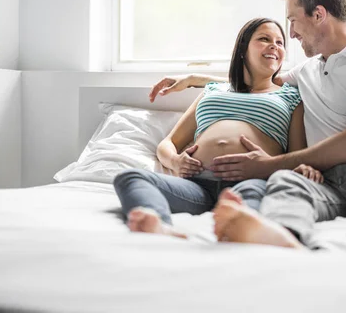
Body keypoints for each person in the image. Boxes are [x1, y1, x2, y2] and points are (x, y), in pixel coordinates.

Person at [149, 0, 346, 252]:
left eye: (292, 21)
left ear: (318, 15)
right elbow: (255, 82)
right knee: (285, 183)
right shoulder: (306, 71)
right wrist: (195, 79)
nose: (290, 34)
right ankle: (284, 238)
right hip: (323, 182)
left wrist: (268, 165)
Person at [114, 17, 316, 239]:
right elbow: (169, 143)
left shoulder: (290, 96)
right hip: (198, 185)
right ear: (242, 49)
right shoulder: (213, 91)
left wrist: (303, 168)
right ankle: (158, 225)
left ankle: (240, 229)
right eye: (264, 39)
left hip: (250, 181)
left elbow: (297, 156)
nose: (274, 46)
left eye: (280, 43)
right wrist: (176, 162)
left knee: (250, 201)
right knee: (130, 177)